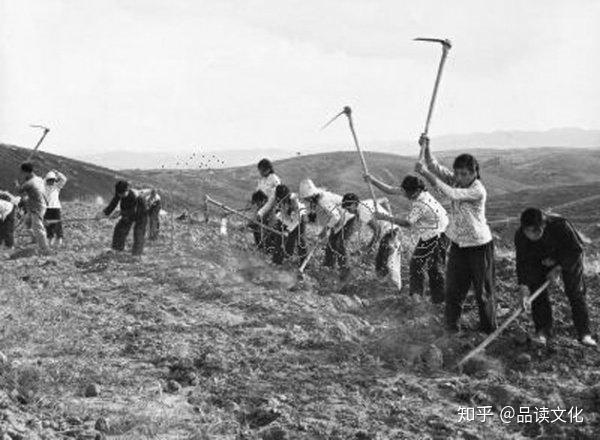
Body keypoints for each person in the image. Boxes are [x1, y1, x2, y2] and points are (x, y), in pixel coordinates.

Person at [415, 135, 496, 334]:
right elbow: (435, 166)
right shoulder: (457, 182)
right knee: (453, 289)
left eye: (465, 174)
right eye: (457, 173)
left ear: (474, 173)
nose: (459, 177)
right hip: (459, 244)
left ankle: (488, 329)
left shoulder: (478, 190)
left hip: (479, 246)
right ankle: (451, 329)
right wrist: (426, 148)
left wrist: (425, 173)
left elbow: (452, 194)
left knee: (483, 292)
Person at [515, 208, 596, 347]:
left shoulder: (560, 226)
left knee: (574, 291)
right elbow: (522, 263)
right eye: (528, 231)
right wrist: (523, 287)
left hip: (568, 258)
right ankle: (543, 331)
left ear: (544, 225)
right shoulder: (520, 236)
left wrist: (559, 267)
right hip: (541, 260)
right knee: (536, 288)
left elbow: (576, 250)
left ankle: (584, 333)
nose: (532, 235)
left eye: (536, 231)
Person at [365, 173, 449, 303]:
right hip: (428, 233)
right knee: (416, 264)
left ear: (417, 191)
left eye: (408, 193)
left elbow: (407, 223)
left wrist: (384, 217)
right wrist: (372, 180)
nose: (406, 196)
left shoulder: (422, 203)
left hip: (439, 234)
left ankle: (440, 301)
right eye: (405, 191)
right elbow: (390, 190)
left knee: (434, 268)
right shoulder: (411, 190)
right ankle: (417, 298)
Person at [299, 179, 355, 281]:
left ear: (312, 196)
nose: (307, 200)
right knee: (331, 245)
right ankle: (328, 270)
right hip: (338, 221)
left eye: (307, 198)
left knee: (339, 244)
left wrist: (324, 231)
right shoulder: (315, 201)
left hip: (348, 218)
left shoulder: (323, 200)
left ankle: (346, 273)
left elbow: (336, 217)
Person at [99, 180, 149, 256]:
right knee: (119, 229)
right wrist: (104, 213)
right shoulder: (119, 192)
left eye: (122, 194)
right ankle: (117, 249)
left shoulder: (135, 196)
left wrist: (120, 213)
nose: (120, 195)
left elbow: (134, 211)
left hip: (141, 214)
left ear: (127, 190)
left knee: (138, 234)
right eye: (119, 194)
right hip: (127, 212)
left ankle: (136, 255)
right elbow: (114, 203)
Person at [18, 162, 51, 255]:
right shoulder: (39, 179)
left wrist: (18, 184)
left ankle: (45, 249)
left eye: (22, 172)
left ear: (26, 172)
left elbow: (19, 191)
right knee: (27, 222)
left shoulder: (29, 183)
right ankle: (35, 239)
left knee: (38, 228)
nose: (21, 174)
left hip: (36, 207)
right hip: (39, 205)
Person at [271, 184, 307, 265]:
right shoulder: (279, 198)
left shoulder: (294, 201)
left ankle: (304, 263)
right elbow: (282, 213)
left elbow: (296, 219)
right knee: (280, 238)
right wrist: (279, 223)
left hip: (300, 219)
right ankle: (277, 260)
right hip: (287, 218)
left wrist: (287, 230)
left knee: (300, 241)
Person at [44, 170, 68, 246]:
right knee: (48, 226)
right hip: (46, 208)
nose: (51, 181)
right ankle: (49, 241)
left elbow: (64, 179)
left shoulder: (57, 187)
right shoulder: (43, 187)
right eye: (50, 180)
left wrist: (57, 173)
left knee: (58, 224)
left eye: (53, 180)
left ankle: (59, 241)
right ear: (47, 180)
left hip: (56, 208)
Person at [255, 158, 281, 227]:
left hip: (272, 209)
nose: (260, 172)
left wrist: (261, 212)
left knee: (269, 229)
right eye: (259, 170)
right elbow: (258, 193)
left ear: (268, 169)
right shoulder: (262, 180)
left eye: (262, 170)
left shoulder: (274, 180)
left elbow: (272, 200)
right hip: (261, 206)